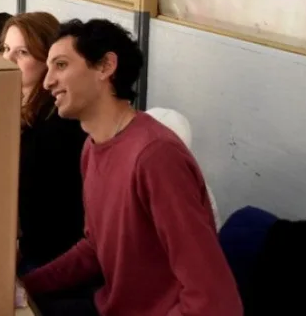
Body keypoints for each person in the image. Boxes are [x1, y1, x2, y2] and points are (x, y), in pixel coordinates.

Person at [23, 19, 242, 316]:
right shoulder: (92, 147)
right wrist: (25, 285)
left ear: (105, 66)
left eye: (61, 65)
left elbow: (214, 300)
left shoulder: (155, 157)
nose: (47, 81)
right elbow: (96, 248)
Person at [0, 13, 87, 273]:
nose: (8, 59)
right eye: (6, 49)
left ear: (49, 60)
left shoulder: (57, 122)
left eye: (22, 52)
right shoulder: (15, 102)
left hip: (48, 256)